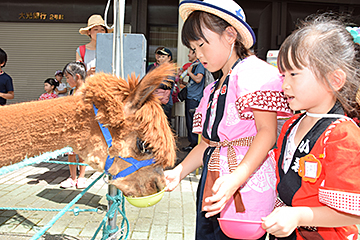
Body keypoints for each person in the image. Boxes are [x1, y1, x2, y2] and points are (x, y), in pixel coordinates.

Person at [164, 1, 292, 240]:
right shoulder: (212, 87)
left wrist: (236, 179)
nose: (198, 54)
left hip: (243, 183)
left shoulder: (255, 74)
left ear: (230, 34)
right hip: (214, 183)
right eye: (193, 48)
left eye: (202, 44)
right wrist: (178, 171)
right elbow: (207, 143)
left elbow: (267, 133)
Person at [261, 14, 360, 239]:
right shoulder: (290, 125)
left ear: (334, 79)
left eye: (294, 74)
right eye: (283, 75)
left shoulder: (343, 135)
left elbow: (353, 213)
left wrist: (298, 216)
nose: (285, 85)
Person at [59, 61, 87, 189]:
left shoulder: (87, 92)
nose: (67, 80)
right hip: (71, 127)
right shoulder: (72, 92)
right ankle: (72, 177)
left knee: (81, 153)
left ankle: (81, 177)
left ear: (77, 77)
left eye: (68, 77)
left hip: (83, 128)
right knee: (71, 153)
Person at [180, 48, 205, 151]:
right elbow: (194, 83)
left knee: (192, 122)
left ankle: (194, 145)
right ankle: (192, 143)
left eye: (190, 53)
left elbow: (198, 79)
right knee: (189, 122)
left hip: (194, 98)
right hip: (191, 97)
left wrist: (189, 72)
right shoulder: (194, 65)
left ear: (195, 54)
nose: (188, 55)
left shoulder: (199, 65)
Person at [153, 47, 175, 125]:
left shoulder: (170, 69)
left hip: (165, 102)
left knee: (164, 125)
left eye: (163, 56)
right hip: (157, 99)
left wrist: (154, 84)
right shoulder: (158, 68)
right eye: (160, 56)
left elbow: (169, 84)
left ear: (169, 58)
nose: (161, 58)